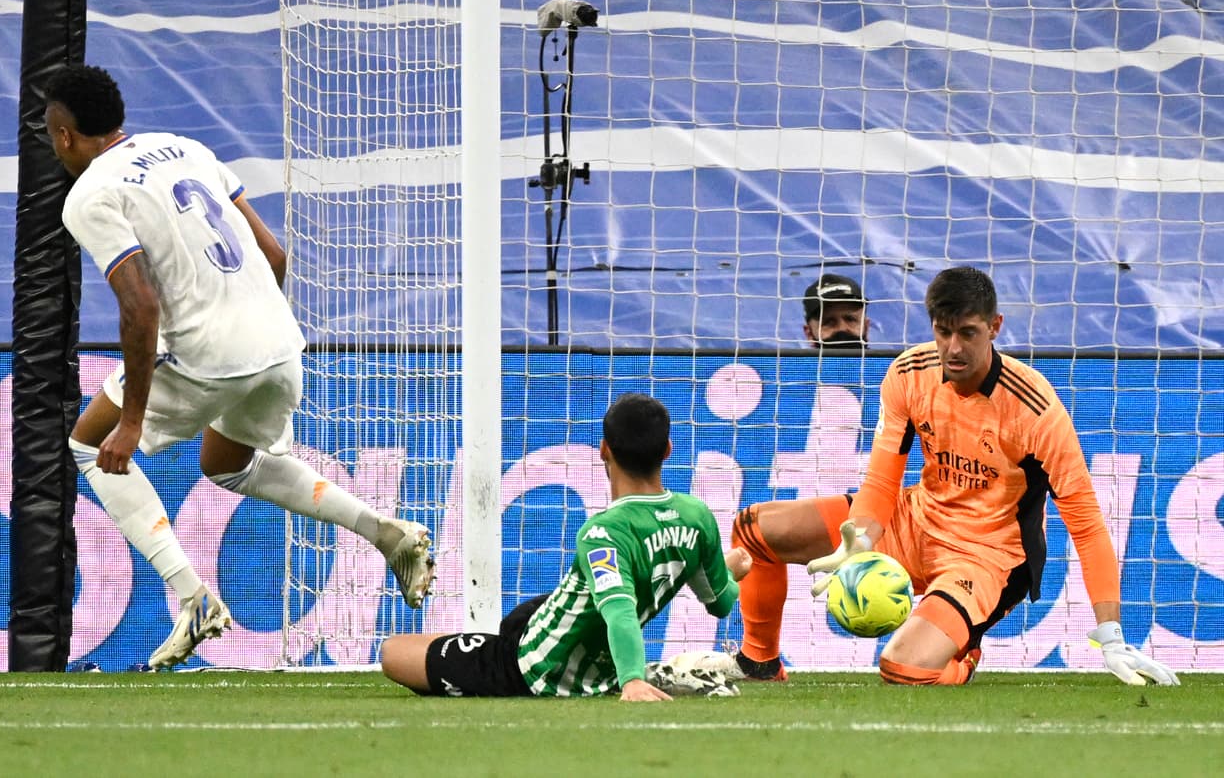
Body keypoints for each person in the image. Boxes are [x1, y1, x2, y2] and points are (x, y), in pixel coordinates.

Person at [44, 64, 436, 669]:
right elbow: (273, 253)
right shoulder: (188, 148)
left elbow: (140, 306)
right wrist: (250, 333)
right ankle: (387, 533)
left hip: (206, 350)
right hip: (280, 341)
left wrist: (135, 419)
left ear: (65, 135)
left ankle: (193, 598)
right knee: (226, 463)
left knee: (88, 444)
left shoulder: (90, 195)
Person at [728, 266, 1178, 686]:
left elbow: (1087, 523)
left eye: (968, 333)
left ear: (995, 327)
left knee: (901, 668)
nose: (954, 348)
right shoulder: (909, 373)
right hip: (917, 520)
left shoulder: (1036, 409)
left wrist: (1111, 635)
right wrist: (860, 540)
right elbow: (883, 481)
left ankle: (964, 655)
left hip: (988, 555)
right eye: (943, 333)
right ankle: (760, 663)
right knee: (755, 530)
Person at [380, 392, 753, 700]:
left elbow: (620, 611)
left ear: (604, 450)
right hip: (559, 627)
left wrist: (633, 680)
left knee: (393, 653)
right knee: (524, 615)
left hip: (534, 669)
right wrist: (730, 568)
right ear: (668, 449)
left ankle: (652, 674)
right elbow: (720, 602)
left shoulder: (603, 532)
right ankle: (647, 671)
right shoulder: (696, 514)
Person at [803, 273, 870, 349]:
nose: (842, 328)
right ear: (809, 334)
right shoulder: (791, 361)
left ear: (866, 327)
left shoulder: (884, 360)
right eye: (828, 322)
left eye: (850, 319)